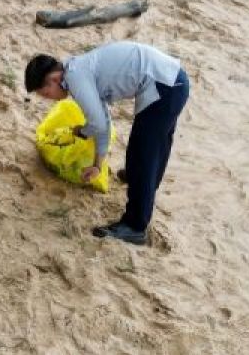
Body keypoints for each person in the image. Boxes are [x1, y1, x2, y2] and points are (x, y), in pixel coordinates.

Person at [25, 42, 189, 245]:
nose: (52, 100)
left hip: (164, 86)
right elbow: (104, 120)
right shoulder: (78, 70)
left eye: (46, 94)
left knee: (143, 154)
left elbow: (97, 123)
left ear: (54, 79)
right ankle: (142, 182)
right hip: (172, 80)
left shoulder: (76, 77)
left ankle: (135, 226)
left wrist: (82, 132)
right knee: (150, 148)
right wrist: (97, 164)